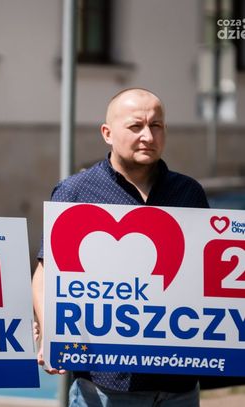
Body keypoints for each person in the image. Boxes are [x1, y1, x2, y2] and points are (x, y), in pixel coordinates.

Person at [32, 88, 209, 407]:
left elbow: (203, 277)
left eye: (156, 125)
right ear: (107, 133)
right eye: (135, 126)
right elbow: (46, 275)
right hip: (105, 386)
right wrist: (50, 330)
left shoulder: (189, 192)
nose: (148, 136)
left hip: (180, 384)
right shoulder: (75, 192)